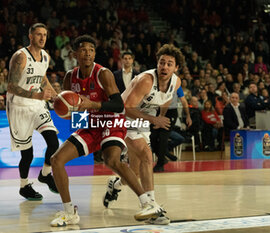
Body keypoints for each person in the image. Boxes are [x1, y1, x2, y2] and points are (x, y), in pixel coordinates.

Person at [50, 35, 164, 227]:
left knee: (111, 159)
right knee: (56, 160)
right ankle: (70, 212)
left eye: (91, 50)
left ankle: (148, 203)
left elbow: (119, 105)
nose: (87, 53)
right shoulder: (70, 77)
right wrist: (68, 112)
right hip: (91, 123)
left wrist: (92, 104)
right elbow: (74, 111)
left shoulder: (103, 73)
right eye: (83, 49)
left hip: (112, 120)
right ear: (75, 53)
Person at [103, 44, 184, 222]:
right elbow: (126, 107)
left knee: (135, 171)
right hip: (121, 118)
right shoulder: (146, 80)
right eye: (162, 62)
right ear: (157, 62)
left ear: (176, 68)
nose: (165, 67)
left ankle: (115, 184)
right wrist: (155, 120)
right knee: (148, 156)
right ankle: (151, 207)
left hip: (142, 121)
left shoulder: (176, 82)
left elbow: (166, 99)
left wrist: (160, 118)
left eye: (170, 64)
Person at [6, 23, 60, 201]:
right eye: (38, 34)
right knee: (27, 154)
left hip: (37, 106)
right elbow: (11, 86)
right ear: (31, 36)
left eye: (45, 34)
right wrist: (37, 95)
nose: (42, 38)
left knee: (53, 142)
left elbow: (42, 77)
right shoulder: (20, 57)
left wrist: (55, 95)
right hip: (19, 107)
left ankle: (45, 174)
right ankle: (24, 186)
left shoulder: (45, 56)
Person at [151, 86, 192, 172]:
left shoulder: (176, 84)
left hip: (171, 112)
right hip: (156, 111)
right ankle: (165, 154)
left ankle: (160, 163)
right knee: (152, 136)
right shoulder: (155, 81)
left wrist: (188, 116)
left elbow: (184, 101)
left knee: (163, 137)